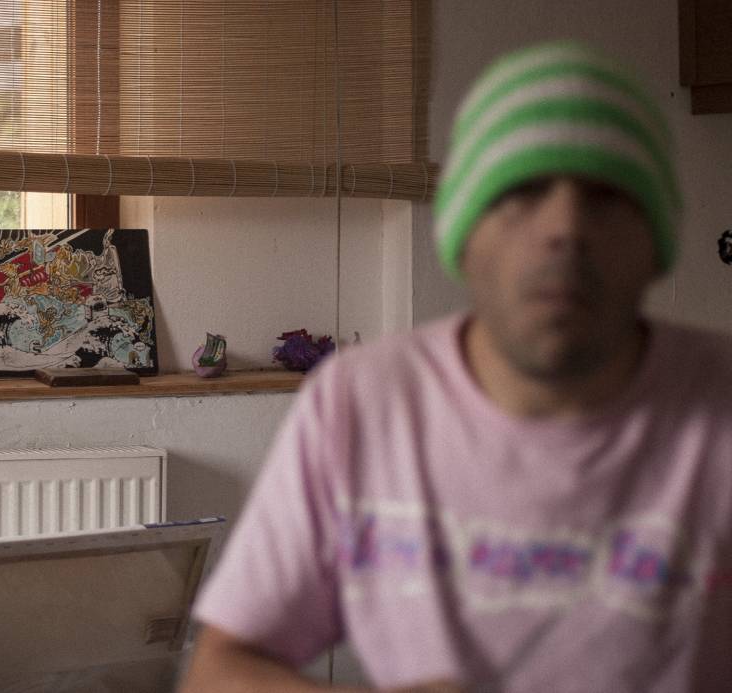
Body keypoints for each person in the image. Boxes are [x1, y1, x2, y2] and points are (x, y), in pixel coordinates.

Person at [180, 41, 732, 692]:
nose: (565, 229)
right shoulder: (360, 403)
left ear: (657, 246)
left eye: (606, 196)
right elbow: (219, 670)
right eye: (521, 192)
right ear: (462, 239)